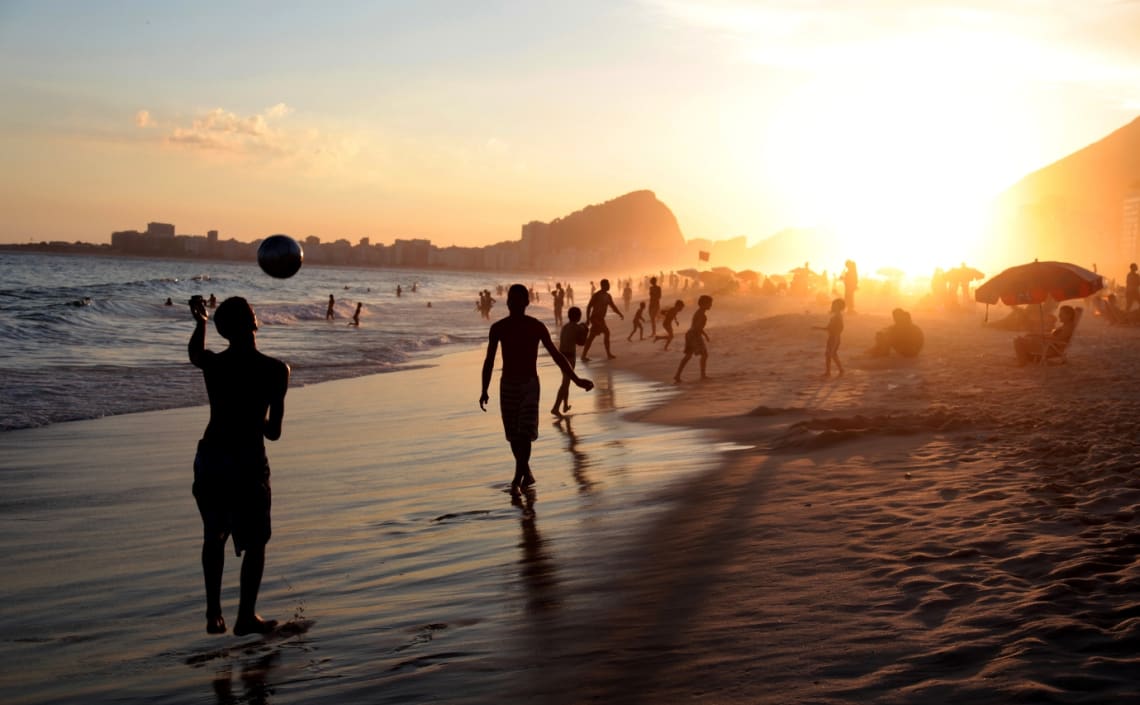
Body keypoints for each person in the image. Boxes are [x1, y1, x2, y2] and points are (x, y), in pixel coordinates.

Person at [188, 295, 289, 636]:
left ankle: (214, 612)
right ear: (255, 323)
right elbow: (273, 433)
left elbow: (195, 355)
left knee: (213, 535)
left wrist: (200, 322)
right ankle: (246, 615)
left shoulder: (215, 365)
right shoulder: (276, 370)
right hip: (247, 461)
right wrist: (253, 414)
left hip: (213, 456)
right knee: (256, 541)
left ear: (224, 331)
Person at [480, 285, 593, 493]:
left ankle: (518, 477)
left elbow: (557, 356)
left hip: (530, 385)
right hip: (507, 385)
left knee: (525, 433)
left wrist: (576, 379)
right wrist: (484, 389)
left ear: (526, 302)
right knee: (513, 435)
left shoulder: (536, 327)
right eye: (511, 299)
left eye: (517, 299)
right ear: (508, 303)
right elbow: (489, 360)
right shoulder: (498, 328)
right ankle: (526, 472)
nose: (513, 303)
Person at [552, 306, 589, 416]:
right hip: (569, 358)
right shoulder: (577, 328)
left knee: (566, 381)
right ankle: (555, 408)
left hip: (561, 356)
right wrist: (586, 330)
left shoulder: (565, 327)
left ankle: (565, 405)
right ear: (578, 317)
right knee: (565, 382)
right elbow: (581, 343)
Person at [1014, 305, 1078, 366]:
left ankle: (1022, 363)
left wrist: (1039, 336)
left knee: (1018, 341)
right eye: (1059, 313)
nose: (1059, 316)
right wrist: (1036, 334)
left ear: (1069, 315)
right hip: (1049, 346)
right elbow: (1053, 335)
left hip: (1050, 349)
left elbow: (1057, 338)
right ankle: (1029, 358)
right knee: (1026, 337)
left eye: (1061, 314)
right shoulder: (1066, 325)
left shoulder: (1068, 327)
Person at [581, 278, 624, 361]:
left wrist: (619, 313)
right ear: (603, 285)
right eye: (607, 285)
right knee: (606, 333)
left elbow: (613, 306)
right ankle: (608, 354)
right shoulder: (596, 295)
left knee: (592, 337)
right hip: (595, 318)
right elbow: (589, 306)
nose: (609, 286)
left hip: (601, 319)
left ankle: (584, 355)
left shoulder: (608, 296)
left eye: (609, 285)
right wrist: (587, 319)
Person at [674, 295, 712, 383]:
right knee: (704, 354)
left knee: (688, 356)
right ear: (703, 304)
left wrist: (704, 335)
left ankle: (677, 375)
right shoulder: (701, 314)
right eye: (709, 303)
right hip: (694, 335)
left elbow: (696, 326)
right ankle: (703, 375)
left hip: (690, 334)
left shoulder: (699, 312)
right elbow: (697, 327)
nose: (711, 305)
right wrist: (703, 335)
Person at [814, 298, 845, 377]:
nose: (833, 306)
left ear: (839, 307)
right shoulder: (837, 316)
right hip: (834, 337)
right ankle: (840, 370)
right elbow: (831, 328)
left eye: (834, 305)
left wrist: (817, 328)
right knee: (832, 354)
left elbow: (837, 328)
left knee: (829, 354)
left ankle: (828, 372)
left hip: (834, 338)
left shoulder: (837, 317)